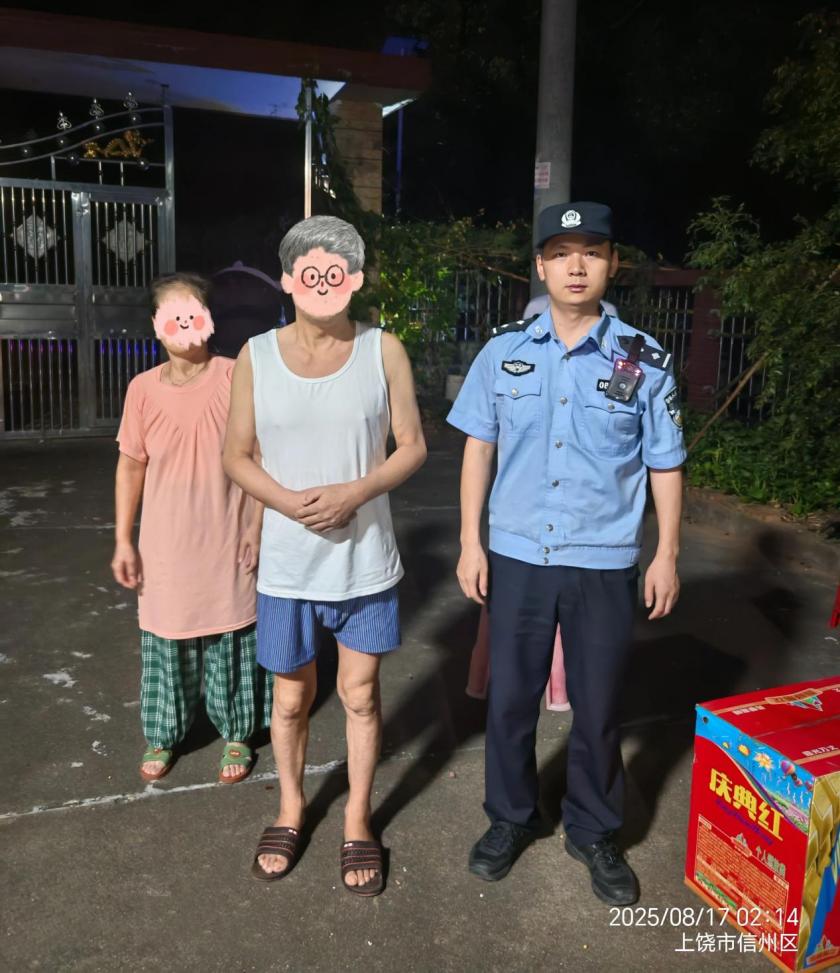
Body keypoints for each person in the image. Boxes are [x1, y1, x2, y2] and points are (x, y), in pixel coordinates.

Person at [447, 202, 685, 905]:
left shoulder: (643, 359)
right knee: (510, 700)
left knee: (599, 704)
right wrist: (470, 541)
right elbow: (478, 450)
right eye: (561, 252)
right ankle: (510, 818)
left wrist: (667, 553)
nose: (576, 265)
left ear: (612, 264)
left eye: (592, 251)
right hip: (518, 554)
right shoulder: (503, 353)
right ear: (541, 266)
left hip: (604, 557)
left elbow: (665, 462)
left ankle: (594, 829)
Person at [223, 215, 427, 895]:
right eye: (308, 271)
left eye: (335, 271)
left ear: (355, 279)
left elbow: (412, 445)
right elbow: (236, 455)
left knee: (360, 695)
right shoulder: (256, 355)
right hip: (288, 565)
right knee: (290, 700)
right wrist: (285, 503)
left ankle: (358, 818)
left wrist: (356, 492)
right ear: (287, 281)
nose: (321, 282)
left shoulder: (383, 350)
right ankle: (290, 807)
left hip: (364, 559)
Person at [111, 272, 271, 784]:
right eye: (172, 315)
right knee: (167, 639)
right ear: (156, 325)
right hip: (165, 545)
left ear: (208, 319)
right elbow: (131, 466)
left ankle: (238, 732)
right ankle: (164, 733)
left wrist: (255, 527)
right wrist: (123, 540)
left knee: (232, 638)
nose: (183, 324)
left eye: (193, 313)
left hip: (227, 538)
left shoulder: (235, 376)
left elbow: (261, 456)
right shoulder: (141, 389)